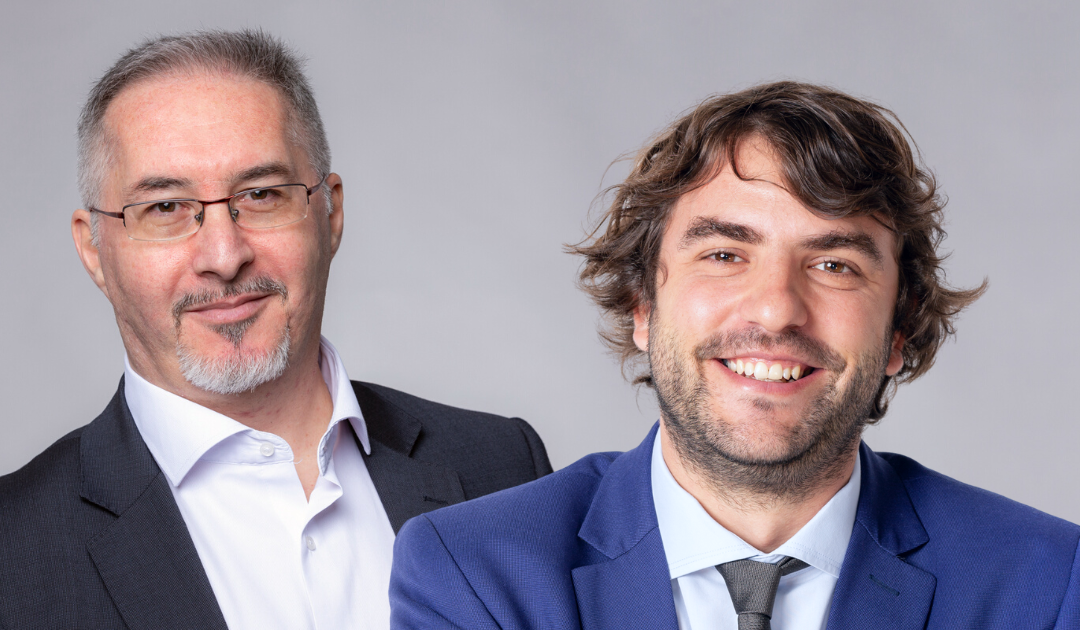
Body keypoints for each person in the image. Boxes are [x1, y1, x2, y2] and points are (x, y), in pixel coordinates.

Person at [0, 29, 551, 630]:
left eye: (261, 195)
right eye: (165, 207)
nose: (223, 255)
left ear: (330, 213)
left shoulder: (501, 467)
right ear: (94, 250)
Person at [389, 81, 1080, 629]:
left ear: (899, 331)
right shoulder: (475, 573)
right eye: (724, 255)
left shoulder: (1045, 584)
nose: (776, 309)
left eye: (834, 265)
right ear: (642, 305)